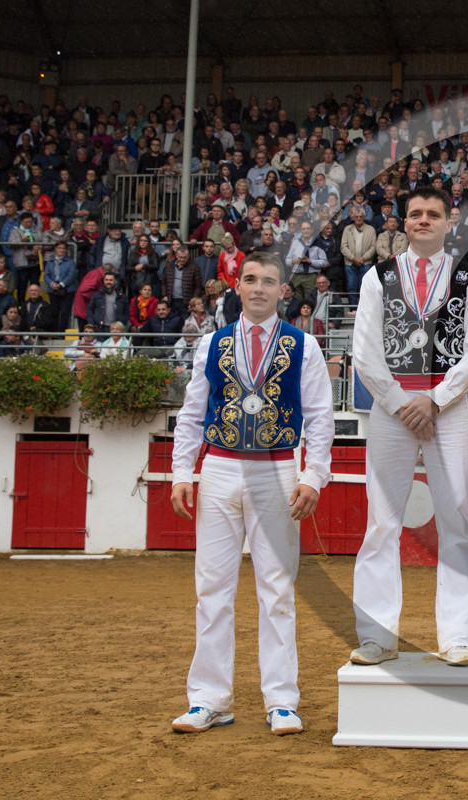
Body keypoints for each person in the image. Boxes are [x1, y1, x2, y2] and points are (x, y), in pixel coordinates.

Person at [169, 251, 333, 736]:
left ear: (283, 291)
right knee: (211, 590)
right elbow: (192, 411)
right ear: (236, 286)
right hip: (219, 467)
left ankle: (281, 700)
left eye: (269, 281)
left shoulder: (304, 345)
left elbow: (321, 417)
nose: (259, 288)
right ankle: (209, 699)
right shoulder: (211, 344)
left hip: (279, 469)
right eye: (250, 280)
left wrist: (314, 475)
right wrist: (183, 470)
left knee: (277, 591)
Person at [349, 187, 468, 667]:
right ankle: (377, 635)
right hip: (394, 412)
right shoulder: (379, 276)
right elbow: (365, 352)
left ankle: (455, 637)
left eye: (434, 214)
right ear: (403, 222)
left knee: (455, 519)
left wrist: (434, 399)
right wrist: (399, 402)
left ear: (449, 222)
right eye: (416, 214)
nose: (424, 220)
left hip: (447, 409)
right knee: (381, 523)